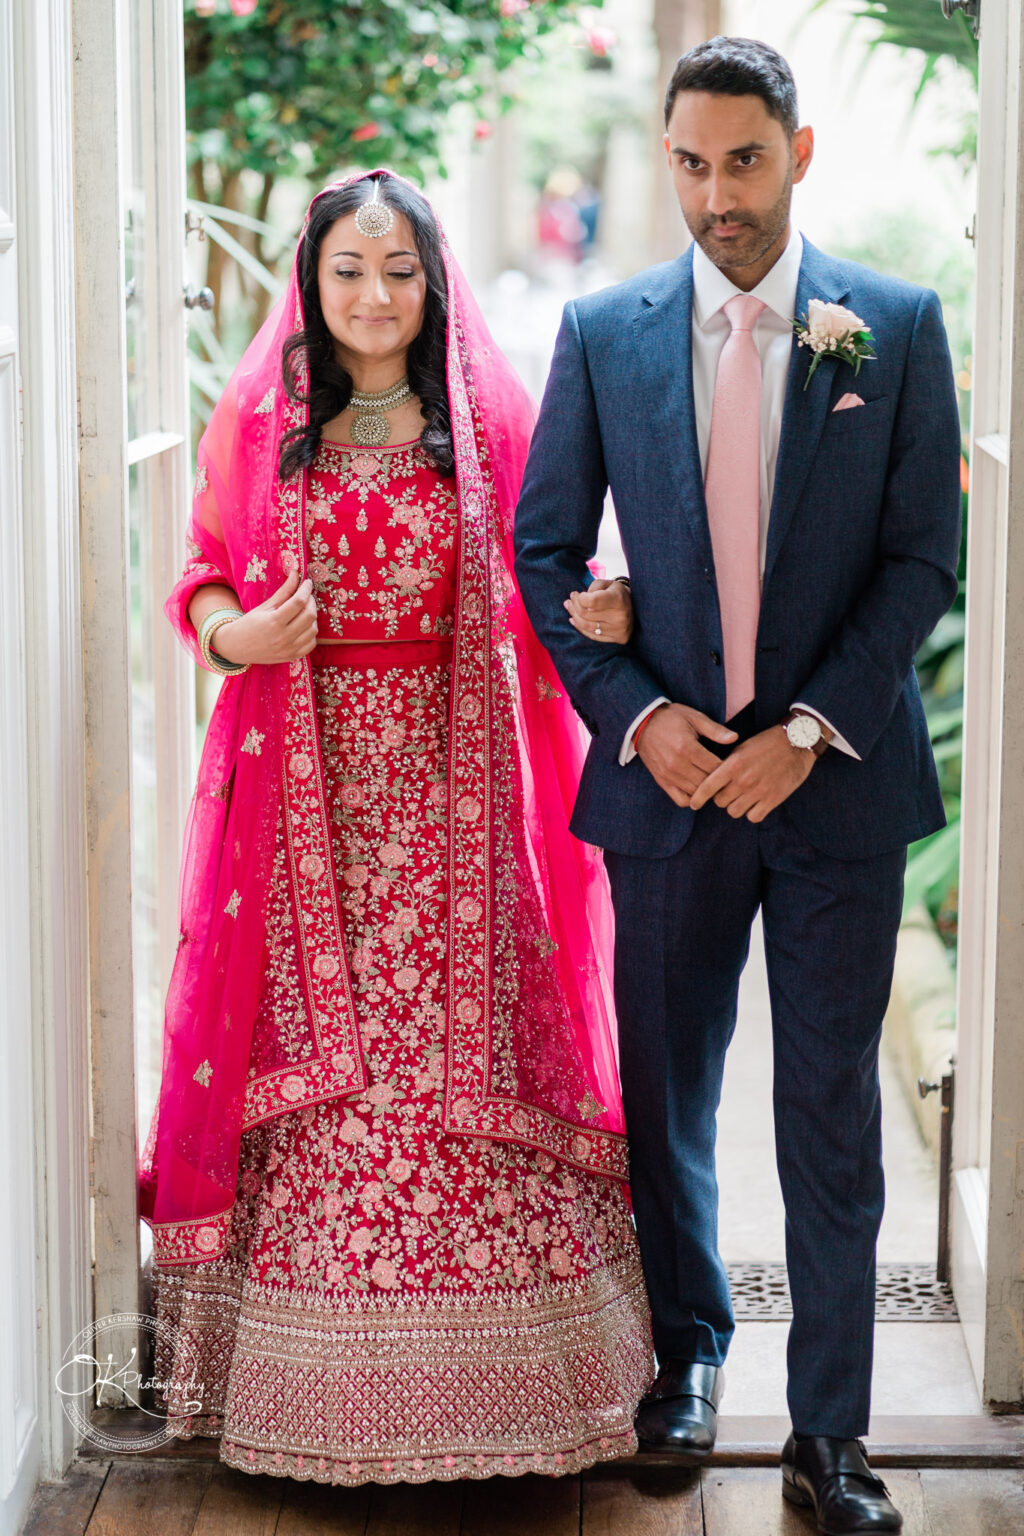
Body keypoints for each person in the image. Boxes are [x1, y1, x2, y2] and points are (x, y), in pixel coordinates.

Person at [138, 168, 653, 1485]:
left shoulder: (489, 418)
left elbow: (554, 567)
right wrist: (236, 635)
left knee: (456, 1065)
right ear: (309, 283)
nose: (374, 295)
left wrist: (596, 609)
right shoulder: (260, 418)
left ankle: (518, 1393)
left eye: (399, 271)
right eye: (349, 270)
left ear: (434, 286)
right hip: (302, 818)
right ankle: (316, 1404)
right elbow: (197, 573)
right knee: (328, 1073)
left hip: (456, 804)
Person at [514, 36, 961, 1535]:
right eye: (693, 164)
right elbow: (545, 550)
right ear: (670, 162)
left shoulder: (891, 326)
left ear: (802, 151)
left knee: (828, 1113)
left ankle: (829, 1435)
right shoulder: (602, 331)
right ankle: (685, 1359)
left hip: (832, 792)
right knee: (671, 1097)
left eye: (746, 161)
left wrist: (814, 725)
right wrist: (639, 720)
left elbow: (922, 559)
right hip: (668, 793)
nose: (720, 197)